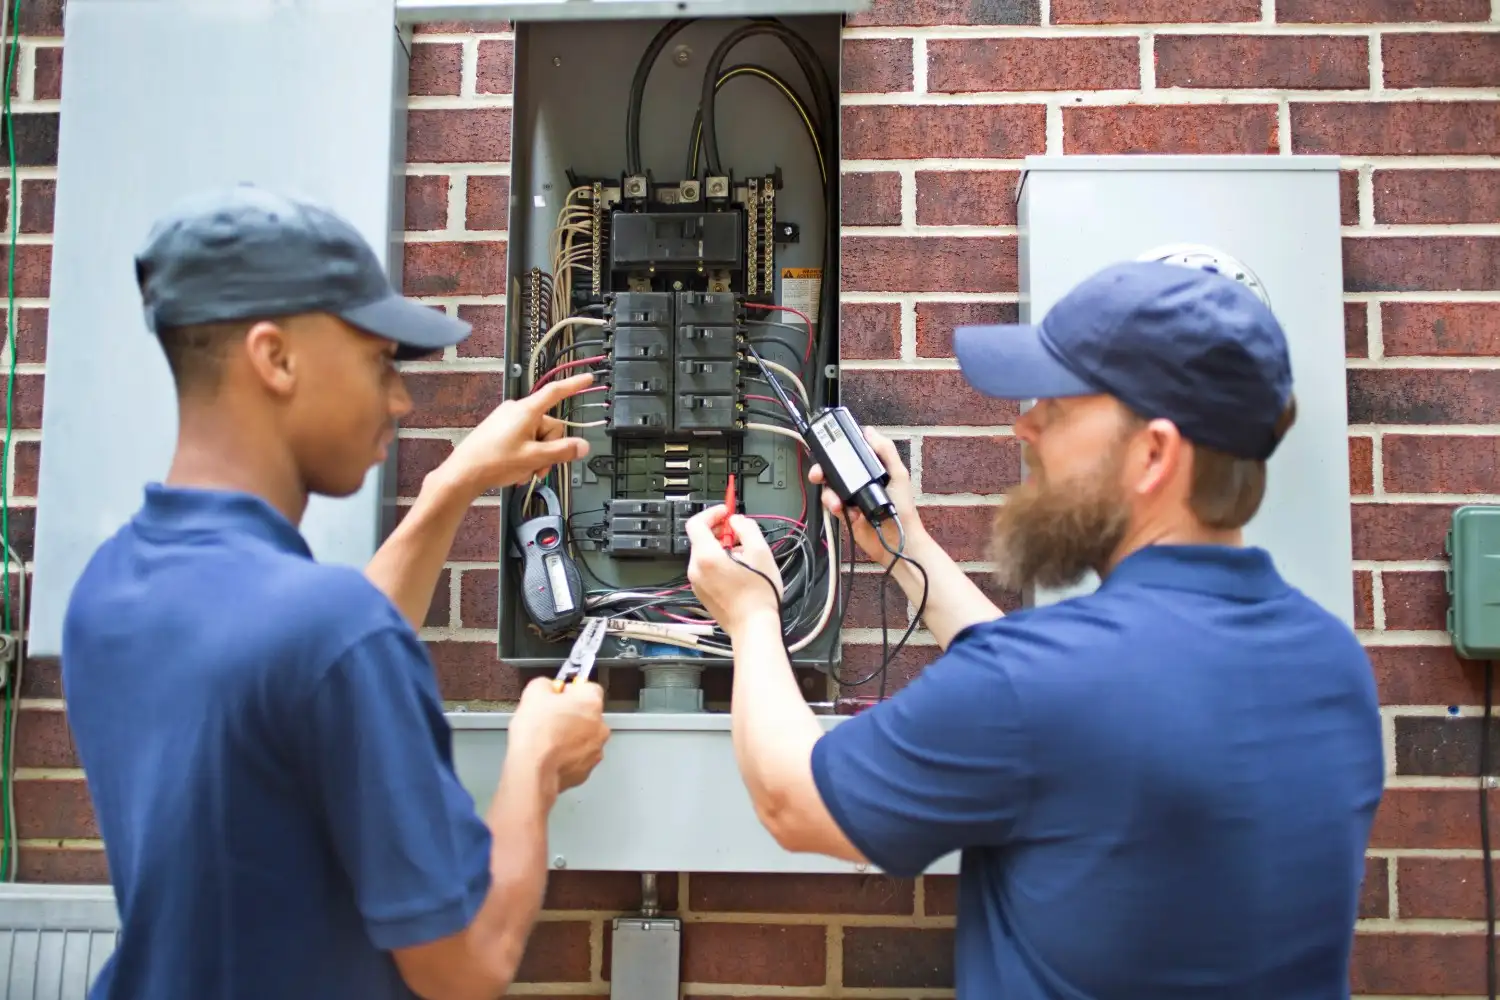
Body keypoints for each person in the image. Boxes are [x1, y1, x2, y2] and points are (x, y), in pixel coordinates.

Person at [684, 260, 1385, 998]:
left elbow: (793, 802)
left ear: (1154, 454)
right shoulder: (1331, 663)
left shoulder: (1040, 685)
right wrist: (906, 546)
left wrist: (753, 614)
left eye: (1058, 404)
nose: (1026, 424)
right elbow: (1062, 698)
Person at [61, 184, 609, 1000]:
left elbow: (296, 670)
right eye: (378, 360)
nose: (399, 396)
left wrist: (452, 484)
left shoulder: (109, 586)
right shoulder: (330, 633)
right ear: (275, 357)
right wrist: (536, 761)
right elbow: (467, 963)